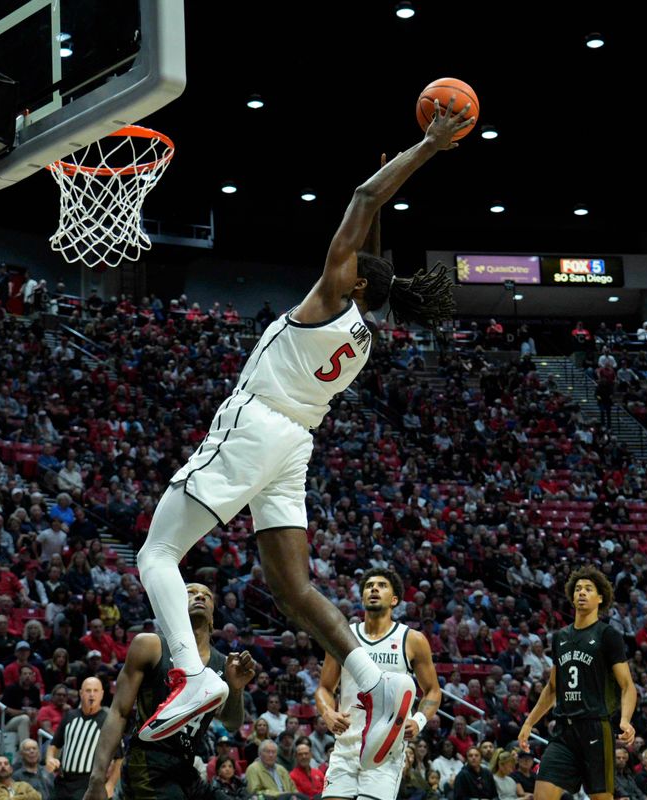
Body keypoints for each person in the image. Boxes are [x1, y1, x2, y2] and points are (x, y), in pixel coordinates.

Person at [134, 101, 471, 762]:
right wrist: (378, 219)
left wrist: (426, 146)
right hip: (294, 444)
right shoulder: (365, 332)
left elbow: (362, 197)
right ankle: (377, 683)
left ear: (350, 279)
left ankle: (190, 674)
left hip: (255, 425)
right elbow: (368, 242)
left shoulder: (328, 298)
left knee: (156, 553)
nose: (333, 262)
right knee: (293, 588)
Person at [83, 585, 252, 800]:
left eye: (207, 595)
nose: (200, 596)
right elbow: (118, 712)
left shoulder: (223, 663)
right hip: (147, 761)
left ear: (212, 617)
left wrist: (236, 689)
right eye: (190, 593)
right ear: (175, 606)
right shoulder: (150, 645)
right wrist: (97, 778)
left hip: (185, 768)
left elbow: (231, 723)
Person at [316, 569, 441, 800]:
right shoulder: (343, 637)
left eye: (382, 585)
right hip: (345, 746)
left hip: (386, 751)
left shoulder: (412, 639)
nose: (374, 588)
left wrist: (419, 720)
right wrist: (327, 713)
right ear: (362, 597)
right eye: (369, 586)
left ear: (394, 600)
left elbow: (433, 690)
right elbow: (324, 687)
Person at [518, 567, 637, 800]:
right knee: (542, 794)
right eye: (578, 589)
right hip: (564, 729)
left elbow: (627, 686)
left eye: (588, 589)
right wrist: (529, 722)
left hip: (595, 727)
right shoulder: (560, 637)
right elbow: (553, 688)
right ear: (572, 597)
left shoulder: (607, 635)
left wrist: (625, 720)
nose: (582, 592)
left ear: (600, 597)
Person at [46, 679, 108, 800]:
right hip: (63, 780)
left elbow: (118, 758)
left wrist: (110, 785)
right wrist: (49, 758)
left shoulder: (106, 721)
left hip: (87, 783)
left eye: (95, 691)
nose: (92, 694)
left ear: (102, 694)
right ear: (81, 693)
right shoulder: (70, 716)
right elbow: (54, 744)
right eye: (88, 690)